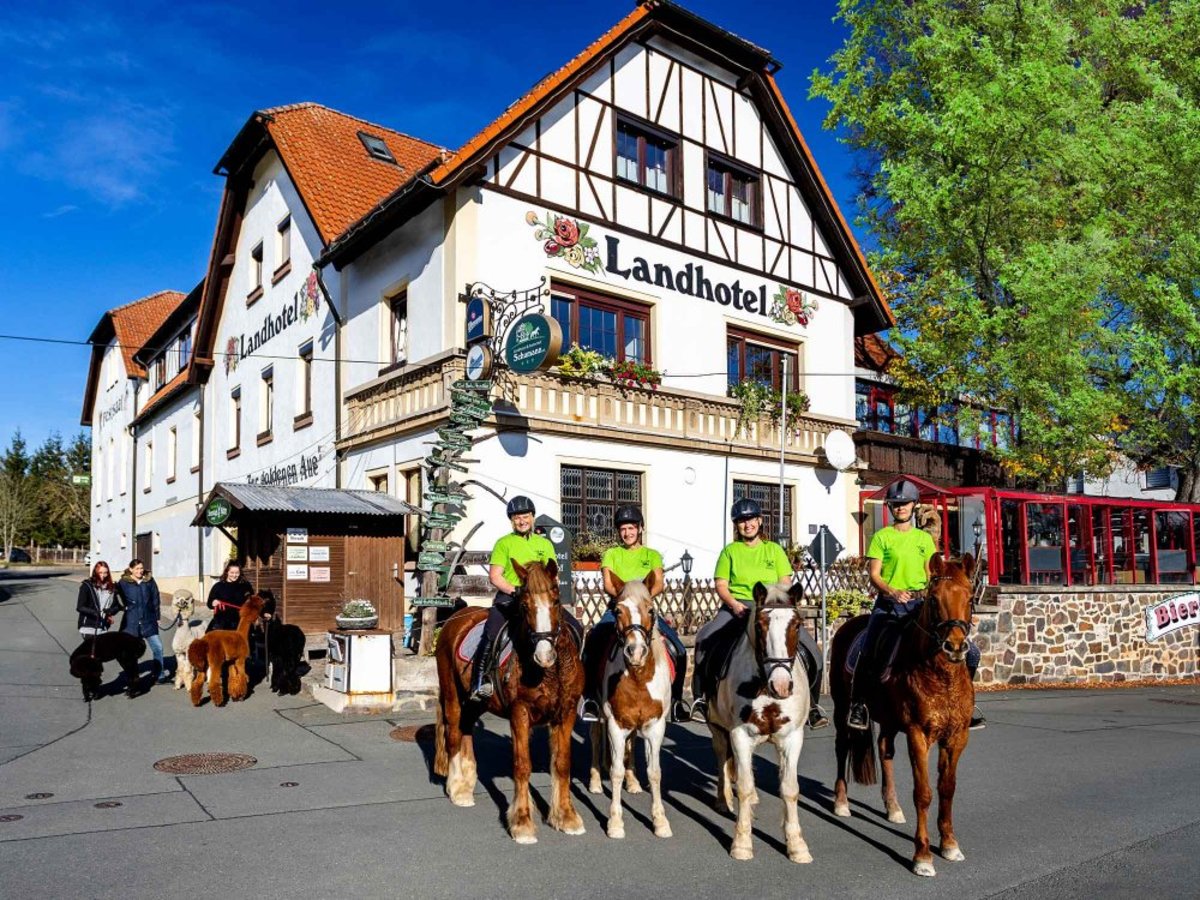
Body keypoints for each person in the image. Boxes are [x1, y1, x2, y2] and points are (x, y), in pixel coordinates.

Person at [848, 478, 985, 731]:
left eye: (905, 503)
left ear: (914, 505)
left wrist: (952, 609)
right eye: (896, 504)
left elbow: (933, 574)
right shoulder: (881, 537)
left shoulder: (923, 539)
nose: (900, 507)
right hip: (888, 605)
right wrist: (892, 591)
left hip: (919, 605)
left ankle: (966, 704)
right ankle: (858, 705)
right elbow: (874, 574)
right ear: (890, 507)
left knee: (972, 652)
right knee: (867, 649)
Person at [691, 498, 829, 729]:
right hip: (739, 608)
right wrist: (734, 604)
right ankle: (701, 700)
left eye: (751, 519)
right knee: (705, 639)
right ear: (737, 525)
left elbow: (785, 581)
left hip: (771, 609)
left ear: (760, 521)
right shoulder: (730, 552)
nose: (747, 525)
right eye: (742, 521)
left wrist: (776, 604)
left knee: (812, 651)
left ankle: (812, 707)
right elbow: (721, 585)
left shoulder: (773, 550)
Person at [579, 506, 691, 723]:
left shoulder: (652, 555)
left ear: (640, 528)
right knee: (593, 643)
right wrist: (626, 599)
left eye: (631, 528)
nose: (627, 533)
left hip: (645, 610)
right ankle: (591, 698)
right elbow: (608, 584)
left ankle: (677, 700)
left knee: (678, 648)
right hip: (619, 610)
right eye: (623, 529)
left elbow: (658, 583)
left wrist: (642, 599)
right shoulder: (612, 554)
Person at [468, 496, 582, 701]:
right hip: (511, 598)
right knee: (492, 632)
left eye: (525, 516)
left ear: (532, 517)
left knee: (576, 627)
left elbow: (552, 574)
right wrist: (516, 591)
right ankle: (480, 679)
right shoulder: (504, 543)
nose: (522, 521)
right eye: (517, 517)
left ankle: (577, 676)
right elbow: (495, 576)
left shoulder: (544, 544)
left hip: (541, 601)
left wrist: (545, 593)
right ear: (512, 520)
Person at [116, 558, 168, 685]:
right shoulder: (123, 582)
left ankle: (159, 674)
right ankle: (133, 677)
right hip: (131, 622)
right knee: (130, 651)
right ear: (131, 569)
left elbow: (155, 599)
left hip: (148, 620)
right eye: (137, 569)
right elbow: (116, 597)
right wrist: (123, 608)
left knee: (158, 647)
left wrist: (157, 617)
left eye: (141, 568)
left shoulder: (149, 581)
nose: (140, 571)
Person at [207, 560, 254, 632]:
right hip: (221, 623)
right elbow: (209, 603)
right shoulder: (218, 586)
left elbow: (252, 601)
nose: (234, 575)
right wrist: (213, 602)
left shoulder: (245, 586)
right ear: (227, 572)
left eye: (237, 573)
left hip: (240, 622)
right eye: (232, 572)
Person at [77, 560, 121, 638]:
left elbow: (117, 606)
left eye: (105, 573)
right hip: (88, 627)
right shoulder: (87, 586)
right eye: (100, 573)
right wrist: (95, 612)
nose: (103, 575)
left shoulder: (111, 588)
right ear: (95, 573)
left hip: (103, 626)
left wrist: (110, 611)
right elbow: (80, 607)